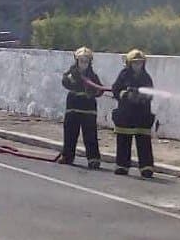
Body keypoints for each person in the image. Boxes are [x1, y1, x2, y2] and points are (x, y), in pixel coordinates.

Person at [111, 49, 155, 178]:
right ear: (129, 64)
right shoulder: (123, 75)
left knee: (144, 143)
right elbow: (115, 89)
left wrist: (143, 97)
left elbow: (151, 93)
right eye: (135, 63)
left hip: (142, 114)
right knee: (123, 141)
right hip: (126, 115)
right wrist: (125, 95)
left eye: (140, 63)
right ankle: (122, 166)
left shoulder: (146, 77)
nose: (138, 66)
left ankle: (146, 167)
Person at [60, 47, 104, 168]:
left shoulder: (93, 76)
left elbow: (100, 90)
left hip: (88, 110)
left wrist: (94, 91)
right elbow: (65, 81)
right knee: (70, 134)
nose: (84, 64)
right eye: (81, 61)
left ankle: (93, 159)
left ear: (89, 62)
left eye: (86, 61)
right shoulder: (71, 73)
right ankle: (67, 156)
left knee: (90, 135)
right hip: (73, 108)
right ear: (77, 61)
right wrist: (75, 80)